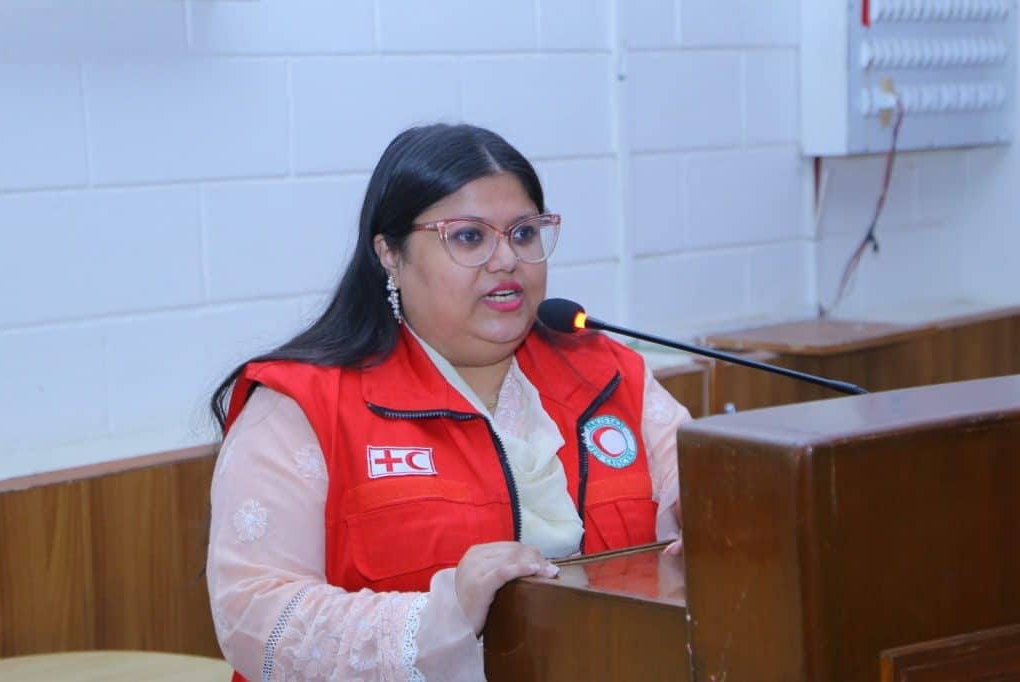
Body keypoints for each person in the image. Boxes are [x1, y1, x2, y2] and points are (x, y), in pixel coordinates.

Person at [206, 123, 690, 682]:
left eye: (524, 232)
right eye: (468, 237)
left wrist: (716, 517)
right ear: (390, 253)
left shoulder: (608, 373)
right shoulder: (305, 405)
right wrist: (443, 617)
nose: (506, 259)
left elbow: (696, 488)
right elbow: (253, 618)